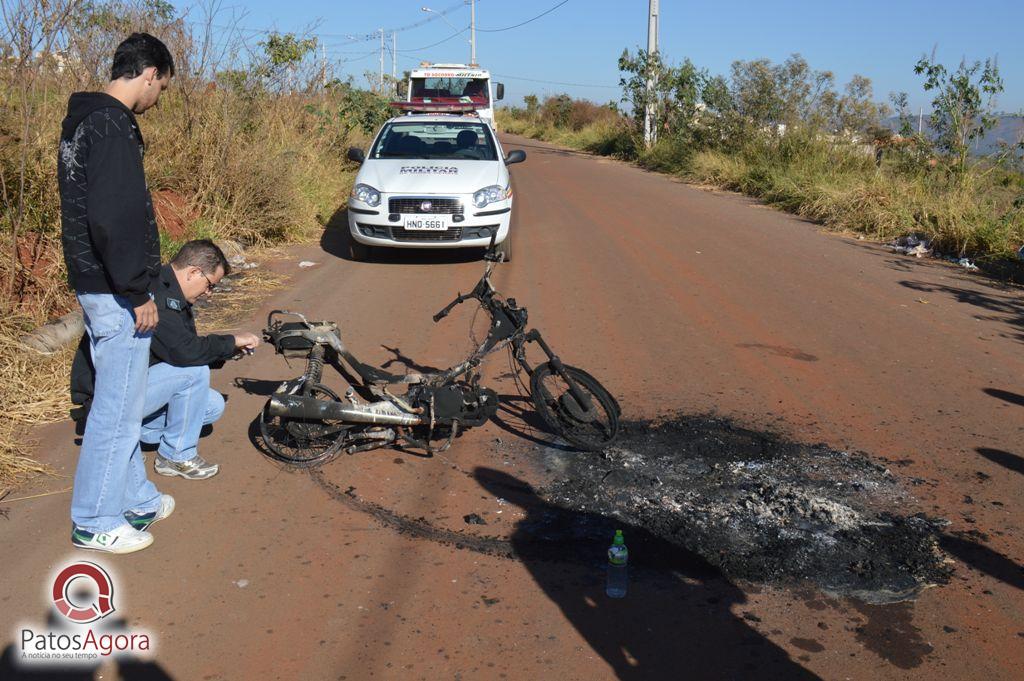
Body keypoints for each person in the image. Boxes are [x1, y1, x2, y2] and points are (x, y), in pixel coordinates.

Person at [59, 32, 174, 554]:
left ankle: (134, 499)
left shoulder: (87, 120)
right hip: (114, 288)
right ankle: (95, 518)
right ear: (149, 73)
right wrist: (136, 290)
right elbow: (114, 217)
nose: (157, 99)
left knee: (123, 403)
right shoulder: (108, 124)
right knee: (116, 410)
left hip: (100, 282)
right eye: (162, 87)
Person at [71, 240, 261, 481]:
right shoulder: (157, 294)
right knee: (195, 373)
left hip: (134, 382)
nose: (209, 293)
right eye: (210, 284)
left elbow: (178, 349)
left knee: (212, 405)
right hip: (106, 395)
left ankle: (122, 435)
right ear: (194, 272)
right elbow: (185, 353)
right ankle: (176, 456)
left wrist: (229, 351)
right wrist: (230, 341)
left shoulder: (170, 290)